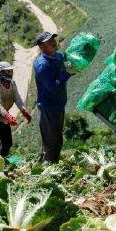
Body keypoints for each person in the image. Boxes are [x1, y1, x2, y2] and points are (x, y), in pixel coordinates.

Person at [34, 31, 75, 163]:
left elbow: (66, 67)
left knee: (55, 140)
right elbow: (52, 87)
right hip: (47, 107)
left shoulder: (57, 56)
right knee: (51, 142)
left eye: (53, 40)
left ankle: (45, 165)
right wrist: (66, 74)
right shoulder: (42, 65)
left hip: (58, 105)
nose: (53, 42)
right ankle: (48, 170)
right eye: (49, 41)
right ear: (41, 46)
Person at [0, 61, 32, 158]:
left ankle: (0, 162)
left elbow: (17, 99)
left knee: (7, 144)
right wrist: (8, 116)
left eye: (11, 71)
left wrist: (24, 111)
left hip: (3, 116)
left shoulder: (12, 84)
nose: (11, 73)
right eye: (8, 72)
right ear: (1, 73)